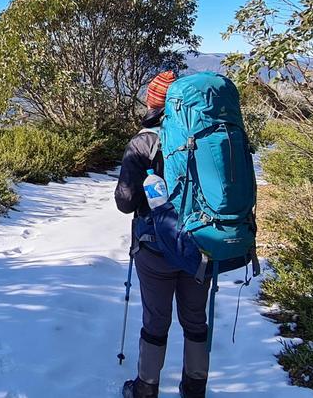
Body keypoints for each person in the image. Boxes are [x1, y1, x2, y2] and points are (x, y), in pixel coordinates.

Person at [114, 71, 209, 398]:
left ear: (154, 104)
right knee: (196, 320)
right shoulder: (207, 136)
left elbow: (125, 203)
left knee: (156, 321)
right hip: (201, 245)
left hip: (155, 248)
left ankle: (145, 388)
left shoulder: (144, 142)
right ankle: (195, 388)